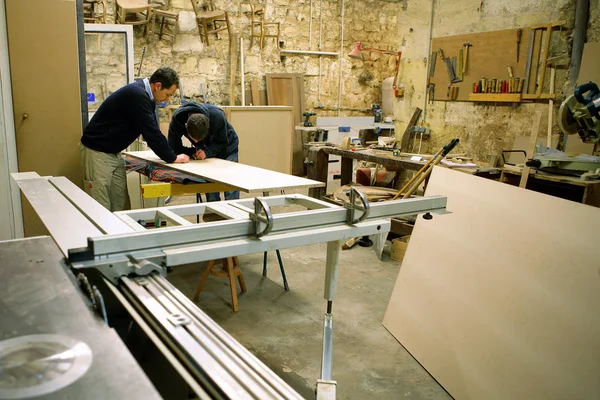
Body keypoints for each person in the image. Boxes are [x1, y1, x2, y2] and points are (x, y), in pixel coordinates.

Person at [80, 67, 190, 211]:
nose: (167, 99)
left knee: (121, 206)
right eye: (168, 94)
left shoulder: (146, 97)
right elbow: (151, 132)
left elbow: (151, 130)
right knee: (100, 207)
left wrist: (168, 153)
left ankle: (122, 233)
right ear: (157, 86)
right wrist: (172, 158)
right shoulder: (137, 95)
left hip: (114, 153)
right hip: (97, 153)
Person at [168, 101, 240, 201]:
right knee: (210, 185)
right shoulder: (178, 119)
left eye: (199, 139)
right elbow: (174, 146)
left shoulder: (217, 116)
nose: (196, 141)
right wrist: (192, 152)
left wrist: (207, 151)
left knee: (230, 184)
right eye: (194, 139)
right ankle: (213, 213)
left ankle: (234, 212)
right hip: (204, 148)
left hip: (228, 147)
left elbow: (222, 142)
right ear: (186, 127)